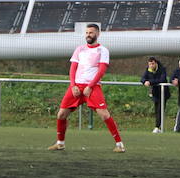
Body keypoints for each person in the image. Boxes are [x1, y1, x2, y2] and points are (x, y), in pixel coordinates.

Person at [48, 23, 124, 153]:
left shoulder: (103, 50)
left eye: (91, 33)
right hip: (76, 86)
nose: (88, 35)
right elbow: (72, 68)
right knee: (61, 114)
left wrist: (90, 86)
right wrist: (73, 85)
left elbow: (101, 71)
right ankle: (60, 143)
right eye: (87, 33)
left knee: (104, 115)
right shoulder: (79, 49)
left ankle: (119, 144)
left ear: (98, 34)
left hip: (92, 87)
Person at [141, 56, 168, 133]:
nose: (151, 65)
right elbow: (142, 78)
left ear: (156, 63)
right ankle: (158, 127)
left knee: (160, 110)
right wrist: (145, 81)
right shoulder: (148, 69)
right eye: (150, 64)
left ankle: (157, 127)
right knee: (157, 110)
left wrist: (150, 82)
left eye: (153, 64)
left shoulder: (162, 69)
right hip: (155, 93)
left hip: (163, 93)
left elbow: (162, 79)